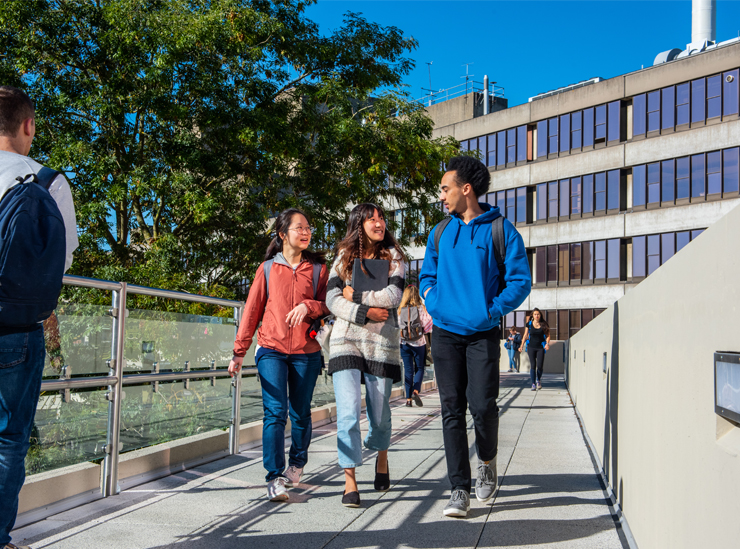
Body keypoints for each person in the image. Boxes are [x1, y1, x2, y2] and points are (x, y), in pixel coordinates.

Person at [419, 156, 531, 518]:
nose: (441, 196)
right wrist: (435, 303)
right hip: (446, 334)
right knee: (452, 410)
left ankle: (487, 461)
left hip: (483, 333)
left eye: (445, 188)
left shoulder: (501, 230)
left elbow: (520, 281)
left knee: (483, 407)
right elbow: (426, 277)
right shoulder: (439, 232)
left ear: (466, 189)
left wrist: (492, 311)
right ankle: (458, 489)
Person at [0, 86, 79, 549]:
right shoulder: (47, 181)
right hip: (15, 330)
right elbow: (60, 261)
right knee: (9, 439)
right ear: (28, 125)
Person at [228, 208, 329, 502]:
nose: (306, 232)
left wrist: (309, 307)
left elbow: (328, 304)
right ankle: (274, 476)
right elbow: (251, 312)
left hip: (306, 351)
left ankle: (297, 463)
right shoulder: (268, 269)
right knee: (275, 412)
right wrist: (238, 352)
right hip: (270, 349)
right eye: (300, 228)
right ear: (283, 234)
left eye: (309, 228)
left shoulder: (319, 270)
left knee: (300, 414)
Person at [325, 203, 405, 508]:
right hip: (346, 341)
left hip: (381, 345)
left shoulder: (394, 258)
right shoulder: (343, 259)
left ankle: (381, 457)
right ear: (359, 224)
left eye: (381, 218)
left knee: (380, 414)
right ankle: (350, 480)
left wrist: (355, 296)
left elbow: (393, 297)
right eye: (371, 218)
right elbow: (331, 299)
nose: (379, 223)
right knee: (347, 414)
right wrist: (364, 311)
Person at [398, 285, 433, 407]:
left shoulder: (400, 309)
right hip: (419, 343)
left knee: (408, 371)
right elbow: (429, 327)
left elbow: (397, 327)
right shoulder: (421, 309)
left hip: (404, 343)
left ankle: (408, 400)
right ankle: (415, 390)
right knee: (420, 368)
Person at [519, 308, 551, 391]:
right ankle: (533, 383)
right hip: (531, 347)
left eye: (538, 314)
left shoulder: (544, 324)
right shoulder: (529, 324)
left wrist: (547, 344)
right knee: (533, 365)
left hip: (540, 347)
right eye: (535, 314)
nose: (537, 316)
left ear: (540, 315)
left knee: (540, 366)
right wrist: (521, 345)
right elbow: (525, 335)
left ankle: (538, 380)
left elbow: (548, 335)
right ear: (532, 315)